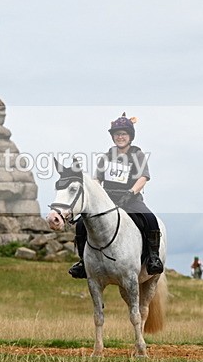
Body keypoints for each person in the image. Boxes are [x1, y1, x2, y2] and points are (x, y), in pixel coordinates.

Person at [68, 113, 164, 279]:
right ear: (113, 137)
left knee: (149, 219)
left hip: (130, 198)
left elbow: (143, 177)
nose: (120, 137)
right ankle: (83, 262)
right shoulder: (106, 157)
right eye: (117, 134)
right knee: (82, 224)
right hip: (108, 199)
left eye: (124, 134)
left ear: (130, 136)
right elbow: (97, 179)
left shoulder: (138, 155)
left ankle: (153, 258)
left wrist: (131, 192)